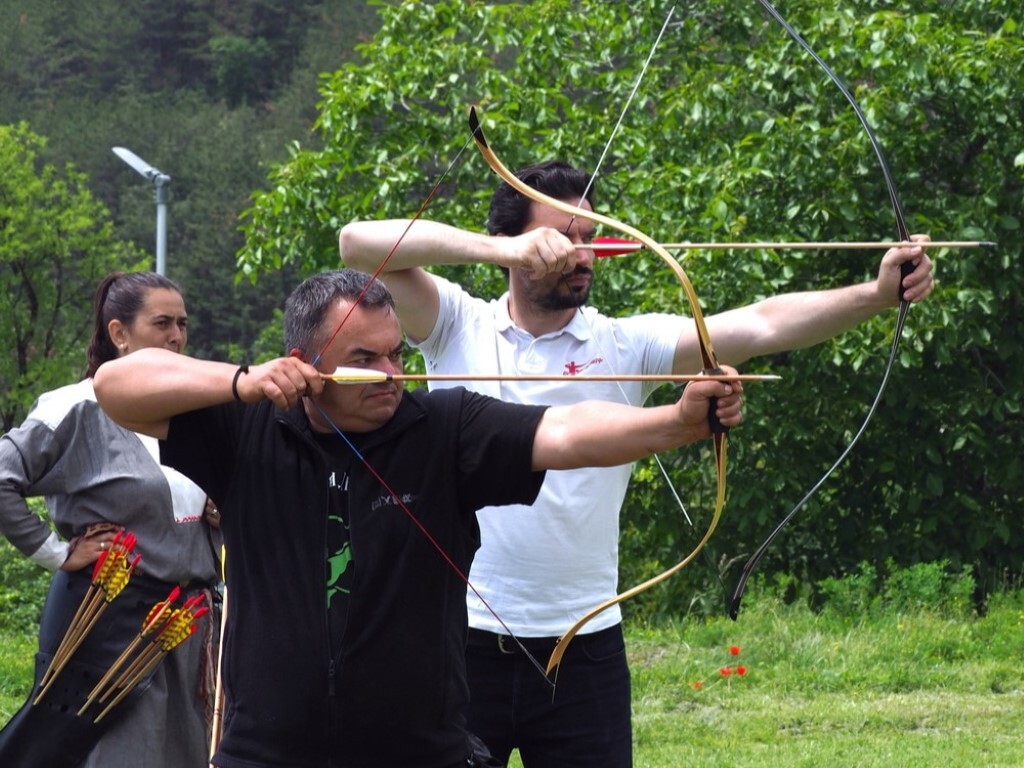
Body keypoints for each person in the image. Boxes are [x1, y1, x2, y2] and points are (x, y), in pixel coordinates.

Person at [338, 159, 935, 768]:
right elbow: (357, 245)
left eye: (589, 237)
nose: (581, 254)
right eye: (562, 237)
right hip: (459, 641)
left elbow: (760, 324)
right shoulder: (454, 325)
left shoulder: (623, 343)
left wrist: (878, 294)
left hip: (585, 644)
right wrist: (509, 247)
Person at [92, 268, 743, 768]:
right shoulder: (246, 428)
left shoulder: (444, 427)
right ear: (304, 364)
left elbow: (567, 431)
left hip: (420, 752)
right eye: (365, 359)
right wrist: (242, 381)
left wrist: (676, 423)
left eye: (397, 354)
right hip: (268, 752)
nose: (391, 374)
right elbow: (116, 386)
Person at [0, 272, 222, 768]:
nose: (176, 337)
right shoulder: (77, 406)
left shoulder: (196, 410)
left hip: (190, 629)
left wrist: (220, 507)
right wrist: (57, 554)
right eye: (161, 323)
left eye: (182, 323)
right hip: (109, 627)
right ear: (119, 332)